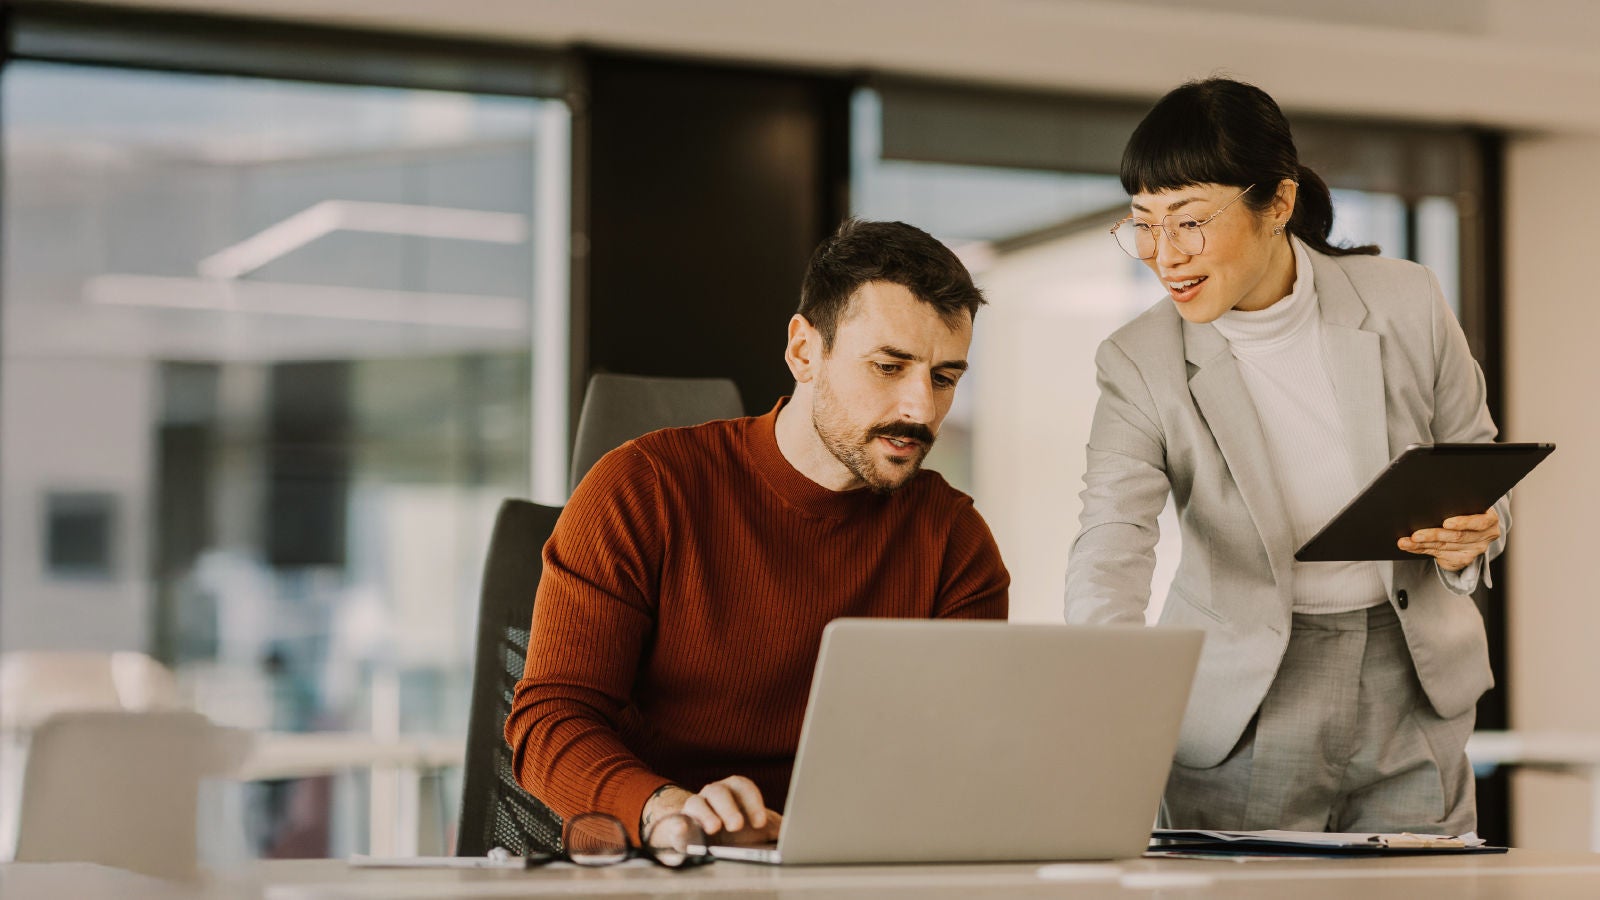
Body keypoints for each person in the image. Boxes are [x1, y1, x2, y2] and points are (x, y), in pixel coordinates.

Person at [1064, 78, 1508, 835]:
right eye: (1143, 224)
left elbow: (1477, 462)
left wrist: (1473, 536)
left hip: (1415, 680)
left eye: (1190, 222)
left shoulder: (1405, 301)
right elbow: (1112, 539)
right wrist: (1111, 700)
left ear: (1276, 203)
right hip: (1243, 699)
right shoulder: (1138, 361)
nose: (1163, 255)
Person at [506, 218, 1010, 847]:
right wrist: (668, 813)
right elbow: (550, 719)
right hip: (659, 870)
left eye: (944, 378)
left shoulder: (954, 540)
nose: (920, 408)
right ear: (804, 351)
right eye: (888, 366)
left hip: (850, 871)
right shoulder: (642, 488)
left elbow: (957, 757)